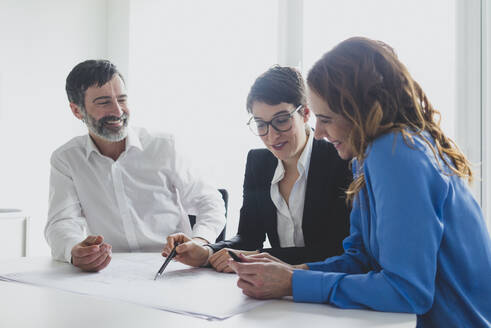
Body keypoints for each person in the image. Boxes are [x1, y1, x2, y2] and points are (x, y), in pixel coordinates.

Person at [228, 37, 491, 328]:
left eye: (326, 119)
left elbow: (408, 292)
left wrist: (294, 283)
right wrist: (293, 270)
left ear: (359, 111)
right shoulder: (370, 156)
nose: (319, 133)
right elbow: (360, 259)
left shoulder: (395, 153)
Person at [163, 66, 352, 272]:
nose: (272, 136)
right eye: (261, 124)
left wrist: (260, 257)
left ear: (305, 113)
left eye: (281, 121)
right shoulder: (258, 162)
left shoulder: (338, 159)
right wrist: (206, 251)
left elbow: (335, 249)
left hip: (322, 285)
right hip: (272, 290)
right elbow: (248, 237)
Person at [45, 59, 226, 272]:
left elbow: (210, 202)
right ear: (77, 110)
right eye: (104, 102)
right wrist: (73, 251)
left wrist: (200, 241)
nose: (118, 110)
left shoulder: (165, 146)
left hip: (172, 269)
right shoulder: (66, 159)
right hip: (108, 273)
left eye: (121, 99)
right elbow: (61, 222)